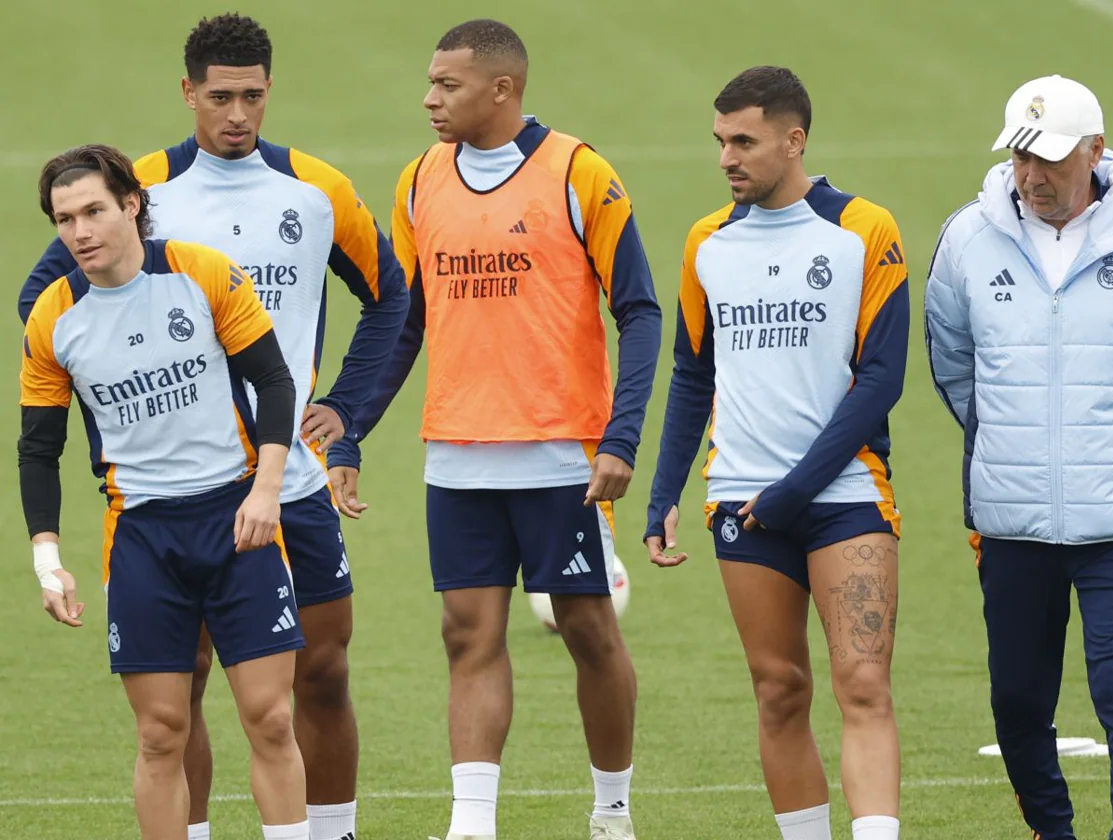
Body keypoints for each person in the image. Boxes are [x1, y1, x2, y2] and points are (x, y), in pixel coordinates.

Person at [19, 15, 407, 840]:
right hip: (172, 499)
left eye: (254, 96)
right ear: (188, 92)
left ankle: (332, 832)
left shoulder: (317, 190)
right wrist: (121, 426)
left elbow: (392, 297)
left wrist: (348, 410)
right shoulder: (139, 188)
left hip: (286, 482)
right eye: (221, 96)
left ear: (270, 91)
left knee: (324, 670)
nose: (238, 114)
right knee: (181, 689)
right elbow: (48, 312)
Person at [324, 18, 661, 840]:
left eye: (448, 84)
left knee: (586, 627)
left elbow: (640, 311)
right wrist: (351, 430)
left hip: (559, 453)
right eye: (432, 82)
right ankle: (471, 823)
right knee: (466, 634)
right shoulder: (417, 183)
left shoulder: (579, 173)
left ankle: (611, 811)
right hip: (457, 455)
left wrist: (619, 440)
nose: (429, 98)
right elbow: (406, 322)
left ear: (502, 89)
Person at [925, 74, 1113, 840]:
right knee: (1017, 702)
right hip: (1009, 521)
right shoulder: (966, 241)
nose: (1032, 175)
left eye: (1048, 158)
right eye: (1020, 156)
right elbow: (954, 366)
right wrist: (1007, 447)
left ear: (1096, 152)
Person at [644, 67, 907, 840]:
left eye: (744, 142)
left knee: (862, 684)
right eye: (720, 141)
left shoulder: (865, 230)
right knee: (779, 689)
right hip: (742, 501)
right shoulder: (707, 242)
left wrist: (798, 486)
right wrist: (663, 493)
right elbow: (693, 373)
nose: (727, 158)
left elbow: (881, 378)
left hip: (847, 497)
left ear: (794, 141)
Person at [19, 144, 309, 840]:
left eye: (93, 210)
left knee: (270, 718)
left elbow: (273, 381)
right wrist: (45, 557)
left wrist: (267, 490)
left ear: (131, 205)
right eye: (64, 219)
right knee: (160, 732)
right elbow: (39, 449)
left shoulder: (199, 272)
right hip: (144, 536)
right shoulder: (53, 318)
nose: (80, 231)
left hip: (238, 519)